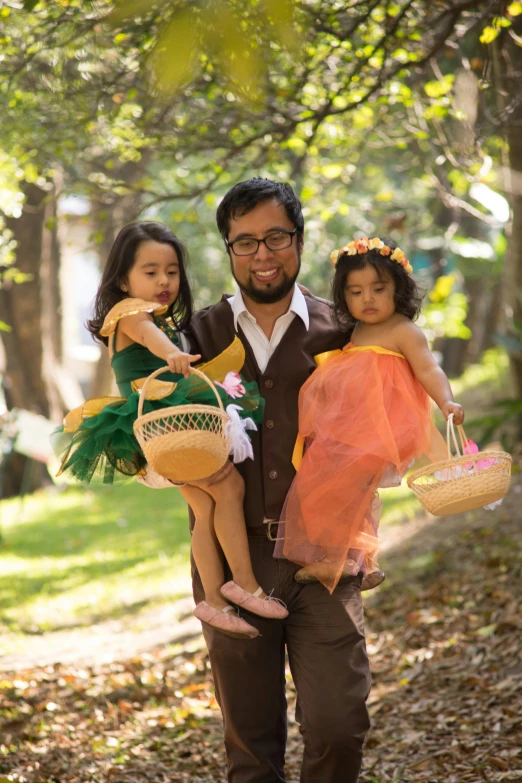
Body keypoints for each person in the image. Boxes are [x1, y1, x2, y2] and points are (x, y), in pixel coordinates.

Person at [187, 178, 370, 783]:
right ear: (228, 249)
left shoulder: (342, 330)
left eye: (275, 238)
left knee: (339, 726)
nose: (262, 255)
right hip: (234, 562)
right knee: (251, 745)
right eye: (245, 242)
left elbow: (378, 436)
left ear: (298, 239)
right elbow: (156, 437)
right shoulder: (194, 337)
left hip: (325, 558)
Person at [56, 221, 288, 639]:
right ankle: (245, 584)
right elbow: (149, 339)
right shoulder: (130, 314)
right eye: (150, 272)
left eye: (172, 271)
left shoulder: (155, 317)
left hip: (167, 424)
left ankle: (214, 601)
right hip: (167, 424)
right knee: (230, 489)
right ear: (123, 278)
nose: (164, 280)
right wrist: (175, 355)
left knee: (205, 509)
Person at [275, 236, 464, 593]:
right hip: (351, 427)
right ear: (344, 297)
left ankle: (336, 559)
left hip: (383, 427)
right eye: (356, 292)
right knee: (342, 490)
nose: (368, 299)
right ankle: (363, 561)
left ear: (399, 289)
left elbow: (429, 371)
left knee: (342, 488)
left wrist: (446, 402)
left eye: (378, 289)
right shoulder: (356, 330)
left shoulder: (403, 331)